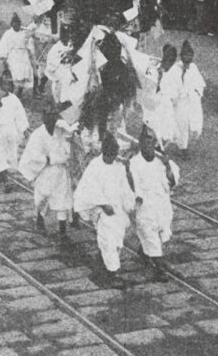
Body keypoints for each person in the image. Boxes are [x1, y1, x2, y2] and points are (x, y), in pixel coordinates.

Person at [73, 133, 135, 289]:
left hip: (118, 211)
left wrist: (130, 204)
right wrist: (102, 204)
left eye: (113, 155)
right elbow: (87, 188)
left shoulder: (118, 167)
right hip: (103, 212)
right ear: (103, 152)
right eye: (108, 155)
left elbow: (125, 188)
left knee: (117, 242)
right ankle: (113, 273)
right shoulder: (95, 166)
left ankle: (104, 269)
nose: (111, 158)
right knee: (108, 242)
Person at [129, 126, 179, 282]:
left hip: (162, 204)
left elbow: (172, 182)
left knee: (162, 231)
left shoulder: (161, 161)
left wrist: (167, 165)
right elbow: (133, 184)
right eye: (146, 141)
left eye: (152, 141)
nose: (149, 144)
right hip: (145, 206)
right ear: (140, 144)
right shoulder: (134, 163)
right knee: (149, 233)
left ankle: (144, 253)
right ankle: (160, 267)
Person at [19, 108, 74, 240]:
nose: (51, 120)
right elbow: (34, 154)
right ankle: (40, 218)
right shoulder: (38, 135)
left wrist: (68, 130)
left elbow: (70, 141)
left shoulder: (60, 131)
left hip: (60, 171)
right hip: (46, 171)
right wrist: (48, 159)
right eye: (48, 117)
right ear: (44, 118)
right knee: (43, 198)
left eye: (53, 117)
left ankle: (62, 230)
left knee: (63, 199)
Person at [0, 71, 28, 191]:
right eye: (4, 84)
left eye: (9, 84)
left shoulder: (14, 99)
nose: (6, 87)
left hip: (10, 131)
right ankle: (4, 177)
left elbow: (20, 115)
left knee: (9, 154)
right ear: (0, 84)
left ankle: (0, 172)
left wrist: (23, 129)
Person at [165, 40, 205, 153]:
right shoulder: (175, 69)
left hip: (191, 101)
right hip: (180, 101)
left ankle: (182, 144)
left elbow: (200, 83)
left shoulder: (193, 68)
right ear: (181, 56)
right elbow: (170, 84)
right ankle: (183, 147)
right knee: (180, 123)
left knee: (190, 123)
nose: (189, 57)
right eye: (186, 55)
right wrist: (175, 97)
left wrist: (196, 93)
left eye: (191, 55)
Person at [143, 43, 179, 150]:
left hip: (166, 102)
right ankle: (150, 142)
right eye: (168, 56)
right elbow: (150, 85)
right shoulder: (156, 67)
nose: (170, 59)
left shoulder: (175, 71)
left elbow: (174, 90)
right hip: (153, 99)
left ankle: (160, 145)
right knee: (151, 121)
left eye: (173, 56)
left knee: (166, 124)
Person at [0, 12, 34, 99]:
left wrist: (30, 52)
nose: (17, 25)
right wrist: (4, 59)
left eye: (18, 23)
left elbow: (29, 43)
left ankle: (19, 93)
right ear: (12, 24)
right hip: (13, 56)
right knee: (13, 74)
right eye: (15, 23)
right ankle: (9, 92)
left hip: (23, 55)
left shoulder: (23, 33)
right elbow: (3, 46)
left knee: (24, 73)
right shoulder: (8, 34)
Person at [44, 24, 73, 103]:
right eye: (65, 35)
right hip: (60, 68)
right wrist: (61, 60)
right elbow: (50, 61)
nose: (67, 37)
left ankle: (69, 101)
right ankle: (62, 101)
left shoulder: (71, 45)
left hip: (70, 67)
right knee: (64, 80)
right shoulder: (56, 48)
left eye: (68, 34)